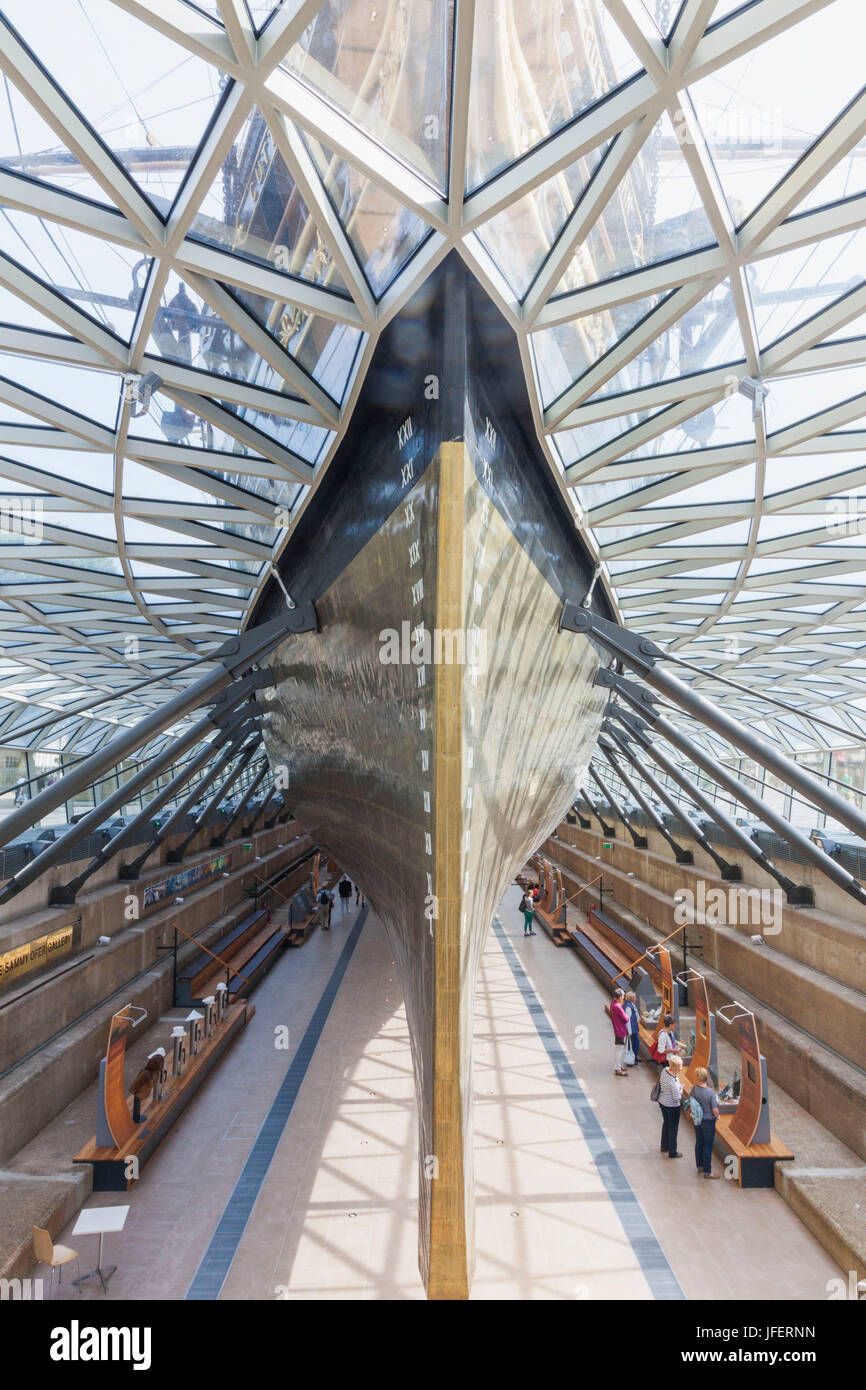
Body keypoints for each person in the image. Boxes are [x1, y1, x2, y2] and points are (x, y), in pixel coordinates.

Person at [690, 1066, 721, 1179]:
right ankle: (708, 1172)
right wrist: (718, 1116)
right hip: (708, 1121)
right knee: (708, 1146)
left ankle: (700, 1166)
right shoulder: (710, 1092)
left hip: (698, 1120)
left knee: (699, 1143)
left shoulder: (694, 1089)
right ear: (706, 1078)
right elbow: (715, 1110)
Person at [658, 1054, 684, 1157]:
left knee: (666, 1123)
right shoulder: (673, 1082)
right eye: (680, 1066)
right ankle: (672, 1151)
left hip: (663, 1102)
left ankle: (664, 1145)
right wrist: (681, 1089)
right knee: (673, 1128)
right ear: (676, 1068)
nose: (681, 1068)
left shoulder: (664, 1070)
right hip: (672, 1106)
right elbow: (677, 1097)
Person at [610, 987, 630, 1077]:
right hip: (620, 1030)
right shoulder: (618, 1007)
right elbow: (626, 1018)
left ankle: (618, 1066)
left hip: (617, 1029)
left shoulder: (613, 1004)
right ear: (619, 998)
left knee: (619, 1049)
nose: (623, 998)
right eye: (622, 996)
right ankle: (617, 1068)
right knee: (619, 1050)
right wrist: (626, 1015)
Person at [623, 990, 640, 1066]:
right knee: (635, 1044)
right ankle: (632, 1059)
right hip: (632, 1029)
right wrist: (629, 1032)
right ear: (632, 998)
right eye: (635, 997)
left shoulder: (630, 1005)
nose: (636, 999)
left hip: (634, 1028)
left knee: (634, 1044)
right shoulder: (628, 1007)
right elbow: (628, 1020)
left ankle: (633, 1058)